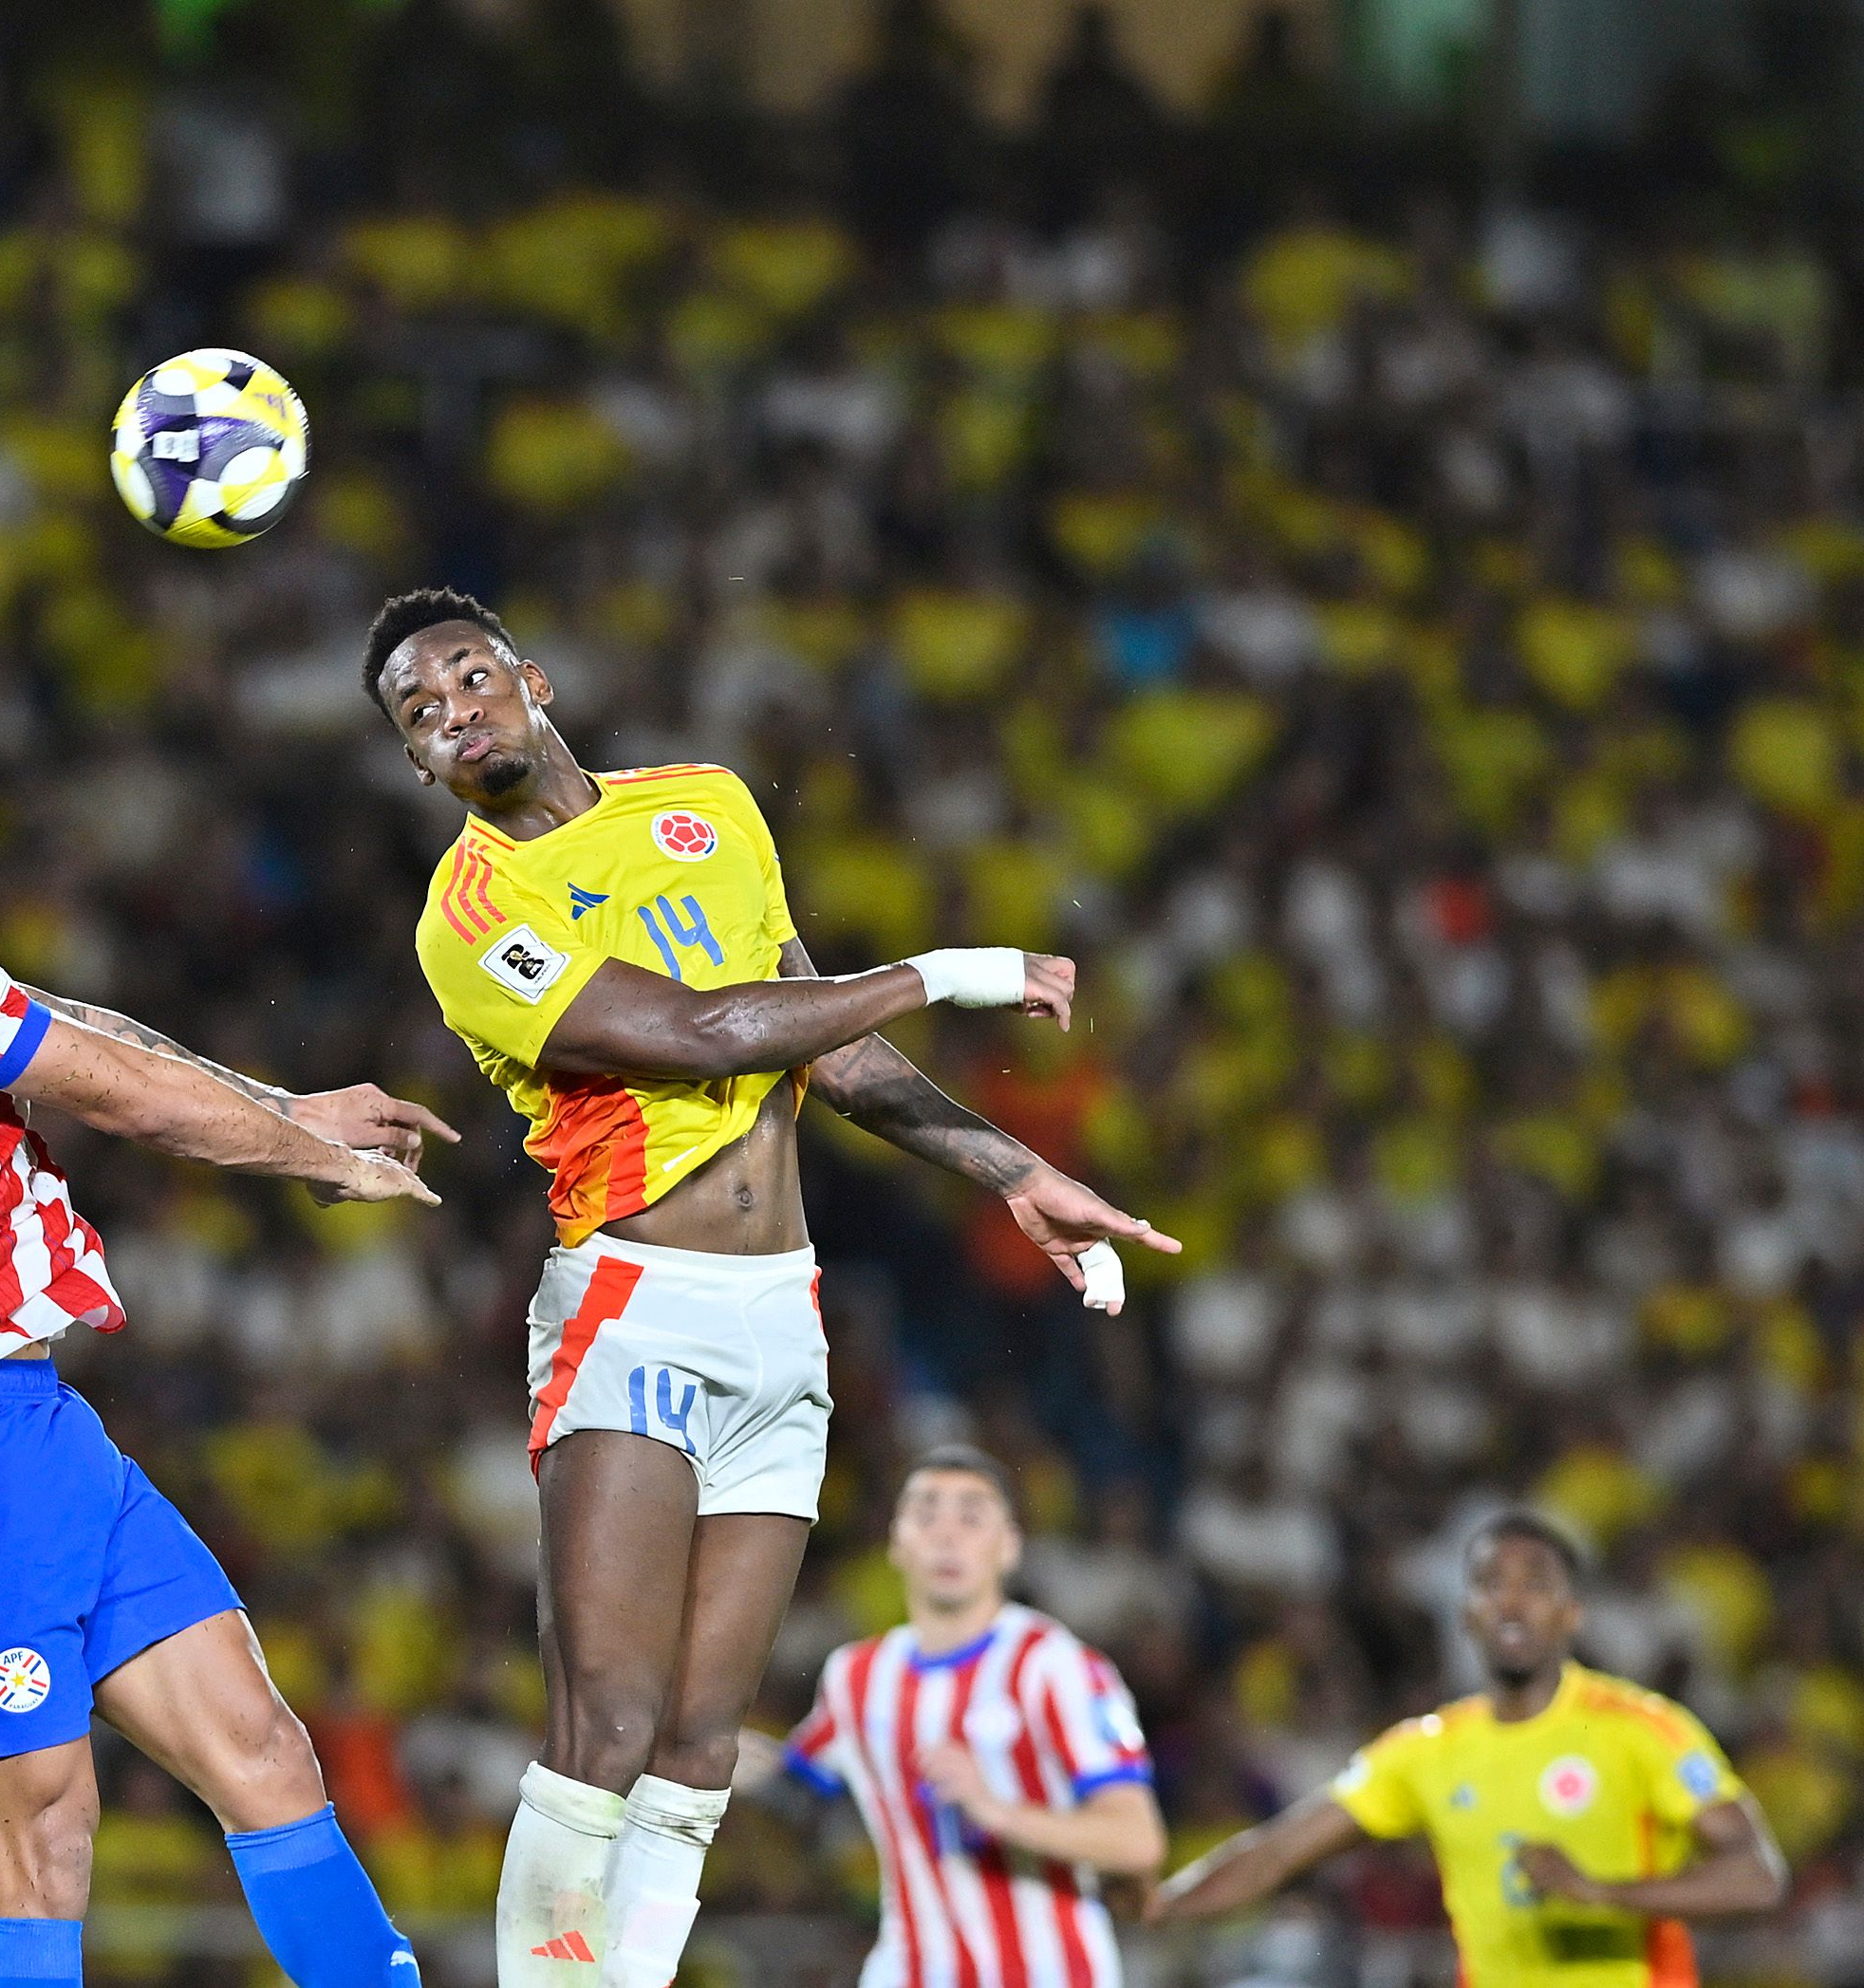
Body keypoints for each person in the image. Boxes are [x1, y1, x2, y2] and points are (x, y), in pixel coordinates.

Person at [363, 587, 1181, 1987]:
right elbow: (696, 1032)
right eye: (419, 713)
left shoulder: (707, 802)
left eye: (469, 675)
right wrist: (948, 968)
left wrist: (1011, 1171)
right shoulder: (470, 910)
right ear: (418, 765)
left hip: (782, 1322)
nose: (454, 711)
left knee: (693, 1749)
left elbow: (823, 1050)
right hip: (634, 1300)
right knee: (606, 1728)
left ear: (533, 675)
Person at [0, 668, 449, 1988]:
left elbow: (70, 1025)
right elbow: (121, 1094)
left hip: (21, 1418)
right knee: (42, 1834)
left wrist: (287, 1093)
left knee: (262, 1746)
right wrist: (312, 1156)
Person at [1149, 1513, 1789, 1986]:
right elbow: (1277, 1851)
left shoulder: (1642, 1729)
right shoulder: (1427, 1748)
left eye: (1536, 1583)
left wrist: (1601, 1890)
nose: (1511, 1599)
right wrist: (1164, 1901)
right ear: (1467, 1613)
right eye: (1490, 1582)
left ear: (1571, 1613)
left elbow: (1757, 1876)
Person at [750, 1447, 1164, 1988]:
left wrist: (996, 1811)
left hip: (1051, 1972)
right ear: (895, 1541)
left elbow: (1137, 1841)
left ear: (1009, 1545)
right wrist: (700, 1749)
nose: (947, 1535)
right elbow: (793, 1780)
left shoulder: (1054, 1666)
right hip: (910, 1971)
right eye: (925, 1515)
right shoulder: (855, 1675)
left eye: (971, 1517)